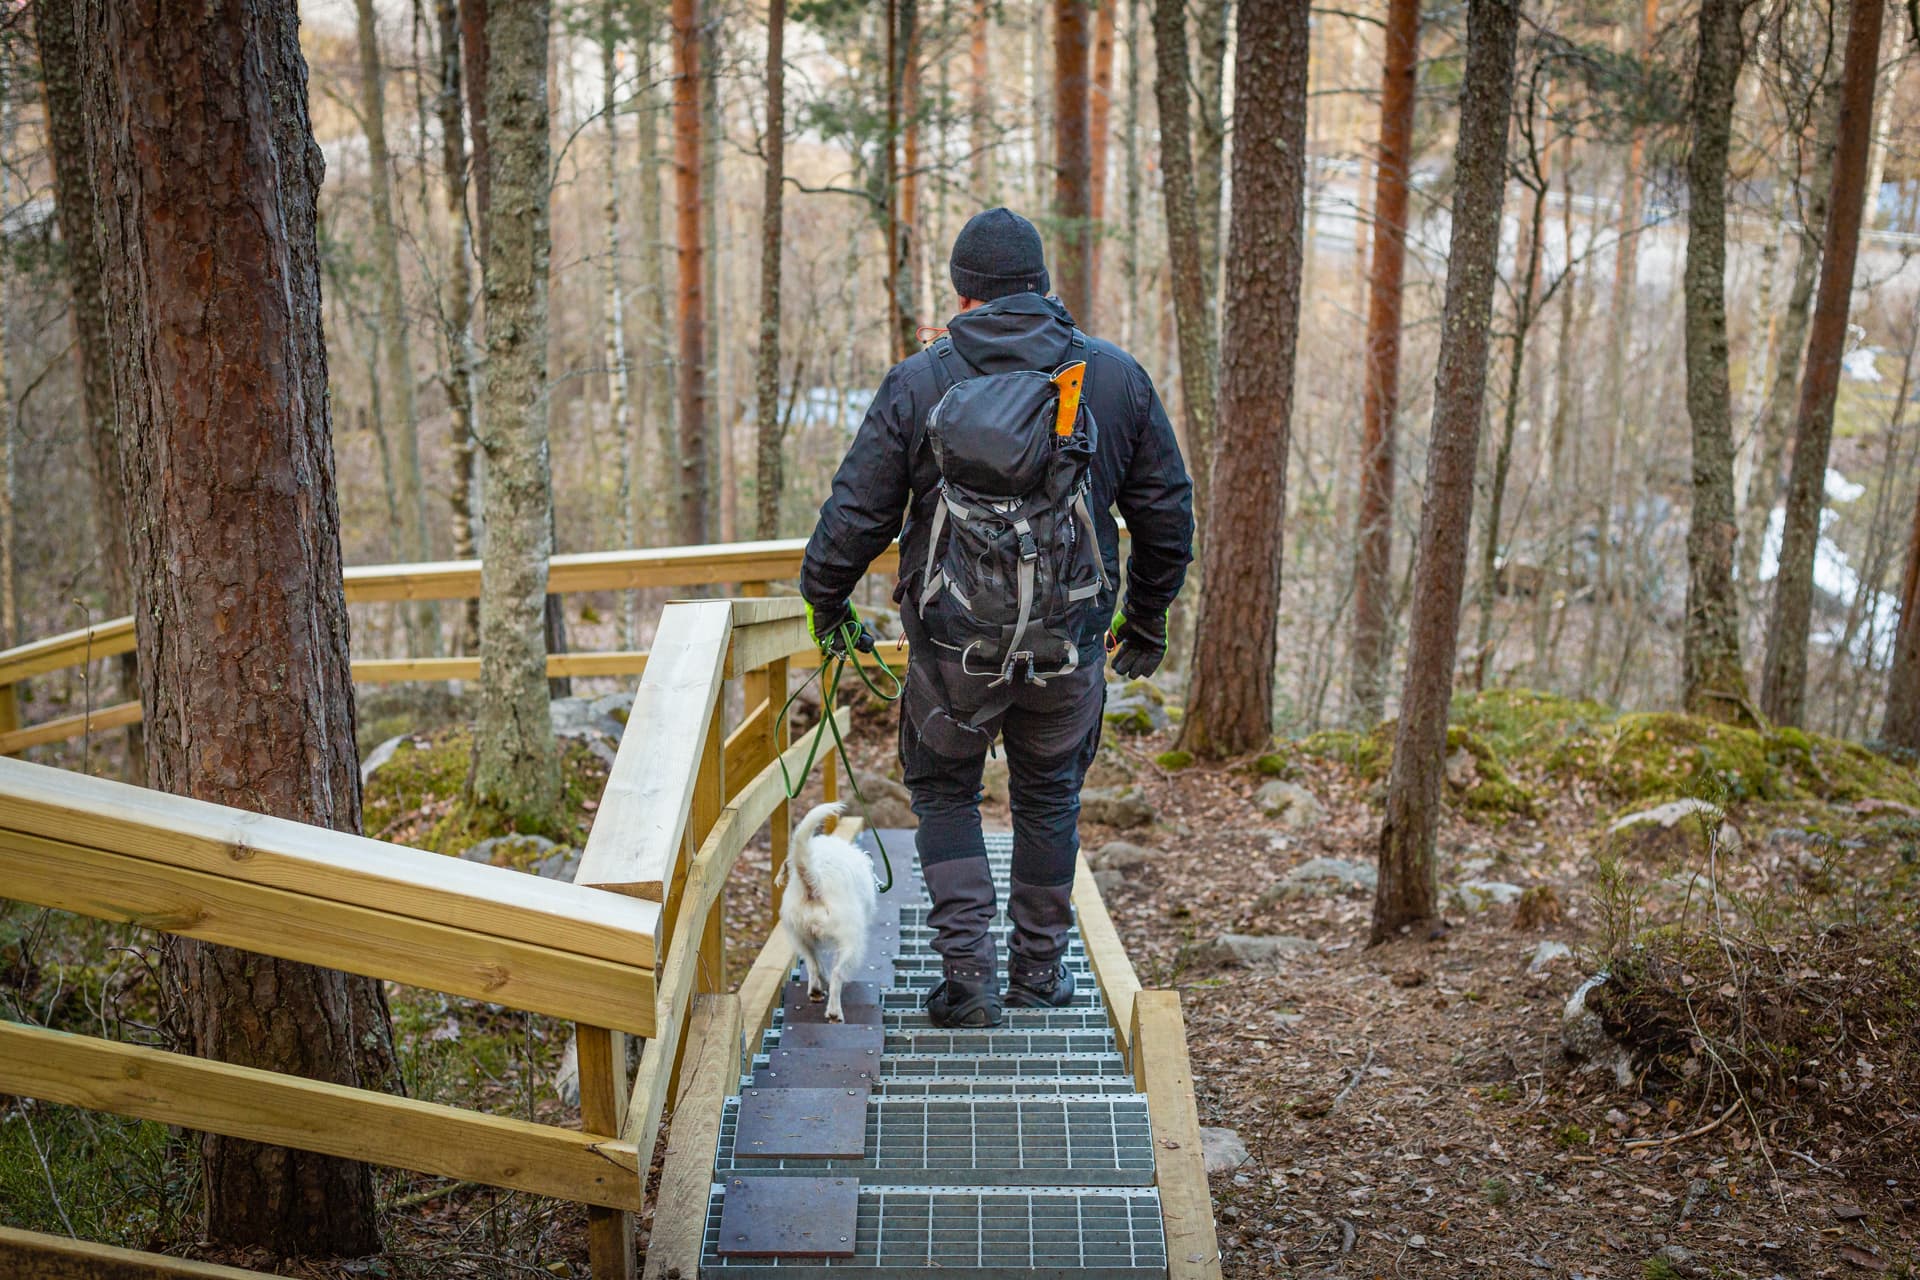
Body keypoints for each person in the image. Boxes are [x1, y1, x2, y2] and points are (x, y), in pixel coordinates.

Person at [800, 207, 1193, 1028]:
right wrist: (1146, 619)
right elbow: (1167, 514)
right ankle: (1040, 975)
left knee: (944, 793)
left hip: (950, 653)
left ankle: (968, 980)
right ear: (1041, 284)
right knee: (1049, 799)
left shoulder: (923, 380)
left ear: (962, 290)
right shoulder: (1112, 377)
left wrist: (827, 600)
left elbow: (857, 512)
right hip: (1070, 649)